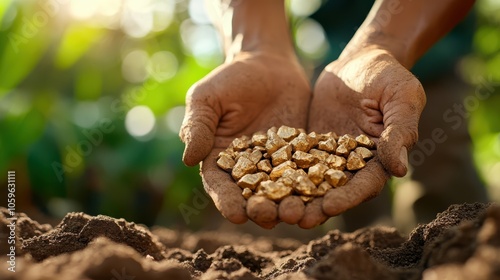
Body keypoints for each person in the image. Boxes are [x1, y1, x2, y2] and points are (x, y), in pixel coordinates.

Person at [179, 0, 488, 230]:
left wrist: (384, 44)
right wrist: (255, 46)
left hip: (436, 44)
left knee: (445, 176)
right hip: (337, 58)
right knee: (357, 210)